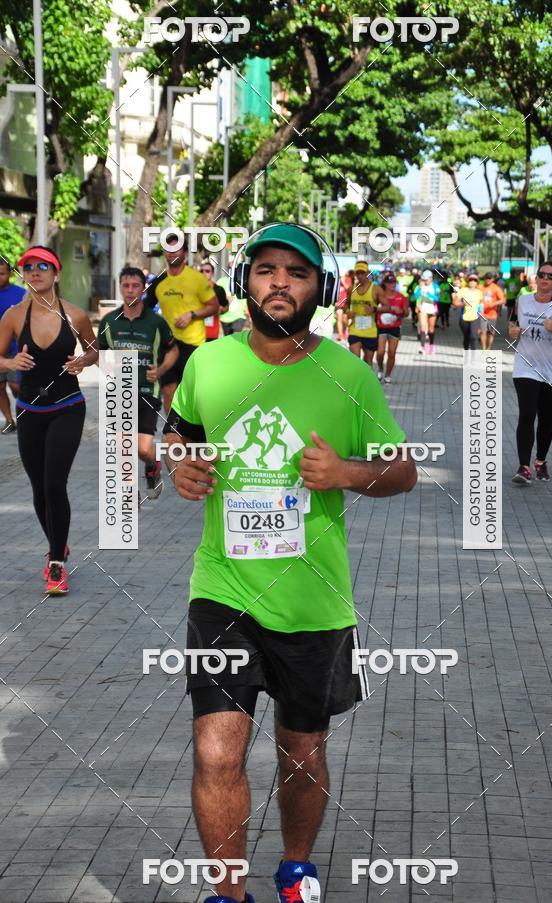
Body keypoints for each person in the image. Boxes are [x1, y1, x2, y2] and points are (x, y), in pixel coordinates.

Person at [161, 223, 417, 903]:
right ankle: (227, 891)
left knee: (300, 754)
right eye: (266, 269)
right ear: (245, 281)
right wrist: (181, 466)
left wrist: (346, 470)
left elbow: (404, 469)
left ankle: (296, 864)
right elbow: (179, 437)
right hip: (222, 591)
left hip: (314, 599)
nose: (279, 282)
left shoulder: (349, 372)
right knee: (217, 750)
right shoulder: (207, 363)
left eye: (296, 272)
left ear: (320, 289)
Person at [0, 246, 98, 593]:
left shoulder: (74, 315)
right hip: (29, 411)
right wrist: (11, 364)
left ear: (56, 273)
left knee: (55, 483)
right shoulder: (13, 315)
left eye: (43, 266)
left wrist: (82, 362)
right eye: (28, 267)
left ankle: (56, 562)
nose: (35, 272)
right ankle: (59, 542)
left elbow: (94, 350)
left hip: (67, 407)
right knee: (39, 489)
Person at [98, 266, 179, 503]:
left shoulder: (156, 322)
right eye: (126, 285)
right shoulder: (109, 320)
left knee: (142, 449)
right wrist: (107, 368)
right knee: (125, 446)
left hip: (147, 392)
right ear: (120, 287)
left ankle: (153, 466)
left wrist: (161, 369)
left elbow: (173, 349)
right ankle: (129, 493)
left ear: (143, 289)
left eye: (135, 286)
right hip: (120, 392)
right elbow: (99, 353)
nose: (131, 290)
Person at [509, 260, 552, 484]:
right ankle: (523, 467)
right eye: (542, 274)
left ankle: (540, 460)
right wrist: (512, 331)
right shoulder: (522, 301)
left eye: (550, 276)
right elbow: (511, 324)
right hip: (525, 368)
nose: (545, 279)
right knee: (527, 415)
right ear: (536, 278)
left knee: (546, 418)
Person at [144, 233, 219, 412]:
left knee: (191, 392)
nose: (172, 253)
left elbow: (214, 306)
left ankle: (191, 429)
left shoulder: (197, 279)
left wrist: (192, 315)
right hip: (169, 344)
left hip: (194, 344)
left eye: (176, 249)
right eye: (168, 250)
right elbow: (145, 309)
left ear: (184, 253)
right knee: (168, 390)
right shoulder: (159, 282)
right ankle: (173, 430)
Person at [0, 257, 26, 433]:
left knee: (17, 386)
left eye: (1, 273)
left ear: (9, 273)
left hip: (16, 349)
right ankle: (9, 420)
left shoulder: (21, 294)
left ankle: (24, 413)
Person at [346, 261, 382, 365]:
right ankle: (355, 380)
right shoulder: (351, 289)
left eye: (363, 273)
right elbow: (345, 305)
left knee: (368, 362)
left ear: (367, 273)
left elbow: (387, 306)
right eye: (358, 273)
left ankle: (366, 379)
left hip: (370, 331)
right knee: (355, 360)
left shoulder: (375, 289)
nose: (360, 276)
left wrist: (374, 309)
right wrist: (348, 312)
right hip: (354, 330)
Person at [376, 272, 408, 382]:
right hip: (381, 327)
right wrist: (388, 309)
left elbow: (407, 313)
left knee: (392, 353)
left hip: (395, 328)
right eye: (390, 282)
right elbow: (372, 308)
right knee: (380, 352)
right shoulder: (380, 296)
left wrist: (402, 311)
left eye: (394, 282)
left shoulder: (401, 297)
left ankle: (388, 375)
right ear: (385, 283)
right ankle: (380, 369)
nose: (392, 284)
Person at [198, 259, 229, 342]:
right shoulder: (193, 289)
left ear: (212, 274)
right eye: (201, 271)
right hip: (195, 331)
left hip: (211, 332)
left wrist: (220, 310)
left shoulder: (218, 290)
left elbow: (226, 307)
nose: (204, 273)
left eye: (207, 271)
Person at [453, 274, 482, 350]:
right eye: (471, 280)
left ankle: (473, 357)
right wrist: (463, 304)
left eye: (475, 280)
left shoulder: (479, 292)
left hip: (475, 318)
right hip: (464, 318)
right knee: (467, 337)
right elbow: (455, 303)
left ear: (477, 283)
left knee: (473, 336)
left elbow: (482, 306)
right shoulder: (463, 291)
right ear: (468, 281)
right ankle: (466, 350)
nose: (473, 282)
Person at [413, 269, 439, 354]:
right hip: (423, 308)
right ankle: (422, 347)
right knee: (423, 328)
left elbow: (437, 299)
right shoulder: (419, 286)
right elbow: (415, 297)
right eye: (423, 279)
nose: (424, 281)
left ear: (431, 278)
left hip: (432, 308)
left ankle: (431, 345)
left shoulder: (436, 286)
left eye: (426, 279)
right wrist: (420, 288)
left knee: (431, 329)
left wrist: (428, 294)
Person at [479, 272, 505, 350]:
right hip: (482, 313)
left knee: (490, 333)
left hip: (492, 314)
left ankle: (488, 348)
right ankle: (483, 349)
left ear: (493, 279)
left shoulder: (496, 288)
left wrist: (493, 304)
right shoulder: (480, 287)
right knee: (482, 332)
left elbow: (503, 300)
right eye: (486, 278)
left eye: (490, 278)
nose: (488, 280)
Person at [335, 269, 353, 342]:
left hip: (346, 302)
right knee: (339, 318)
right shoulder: (337, 281)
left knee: (345, 319)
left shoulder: (349, 280)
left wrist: (343, 281)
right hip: (339, 302)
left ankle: (346, 331)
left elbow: (349, 289)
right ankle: (340, 335)